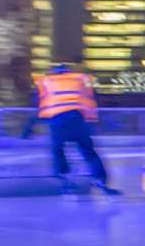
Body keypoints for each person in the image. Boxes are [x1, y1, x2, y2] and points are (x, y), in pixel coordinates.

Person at [20, 63, 119, 196]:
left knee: (57, 149)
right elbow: (90, 100)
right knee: (89, 152)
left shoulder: (47, 82)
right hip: (78, 120)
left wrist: (27, 131)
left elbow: (40, 109)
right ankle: (100, 179)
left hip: (58, 122)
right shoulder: (78, 80)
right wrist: (93, 123)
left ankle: (64, 177)